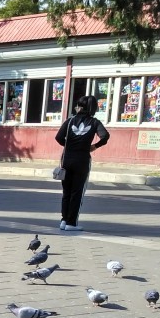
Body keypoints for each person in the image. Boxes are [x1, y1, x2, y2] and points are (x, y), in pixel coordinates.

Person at [55, 94, 109, 232]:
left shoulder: (70, 121)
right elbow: (105, 136)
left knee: (66, 191)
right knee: (77, 192)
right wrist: (94, 146)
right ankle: (72, 223)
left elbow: (59, 137)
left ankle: (64, 220)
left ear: (80, 107)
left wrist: (69, 145)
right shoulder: (94, 122)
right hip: (82, 160)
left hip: (67, 159)